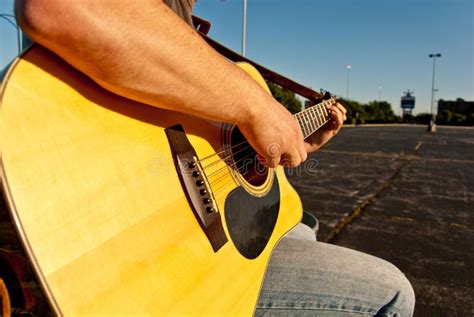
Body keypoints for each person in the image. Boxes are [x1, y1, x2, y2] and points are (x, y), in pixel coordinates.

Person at [15, 0, 415, 315]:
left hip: (193, 238)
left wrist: (292, 140)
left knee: (299, 222)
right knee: (393, 293)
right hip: (141, 247)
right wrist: (256, 104)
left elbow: (204, 136)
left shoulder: (183, 17)